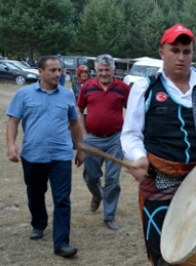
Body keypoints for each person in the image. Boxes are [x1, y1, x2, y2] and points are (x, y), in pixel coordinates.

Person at [121, 23, 196, 265]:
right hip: (159, 180)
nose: (181, 57)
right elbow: (130, 135)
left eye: (186, 52)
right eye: (174, 50)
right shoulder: (145, 89)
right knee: (165, 254)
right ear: (162, 53)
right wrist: (137, 156)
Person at [5, 56, 85, 258]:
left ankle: (61, 243)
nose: (58, 74)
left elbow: (75, 124)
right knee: (35, 194)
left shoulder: (67, 95)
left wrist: (81, 148)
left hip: (61, 156)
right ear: (40, 71)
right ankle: (38, 224)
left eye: (60, 70)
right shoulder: (24, 94)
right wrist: (12, 144)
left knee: (62, 200)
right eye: (52, 70)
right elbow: (13, 121)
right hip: (33, 155)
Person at [77, 54, 131, 230]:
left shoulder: (122, 88)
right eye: (100, 70)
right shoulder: (87, 87)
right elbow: (79, 109)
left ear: (113, 70)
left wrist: (128, 133)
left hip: (115, 139)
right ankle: (97, 195)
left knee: (112, 179)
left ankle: (109, 216)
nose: (104, 73)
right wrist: (83, 134)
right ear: (96, 70)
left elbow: (132, 111)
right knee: (91, 176)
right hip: (92, 138)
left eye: (107, 70)